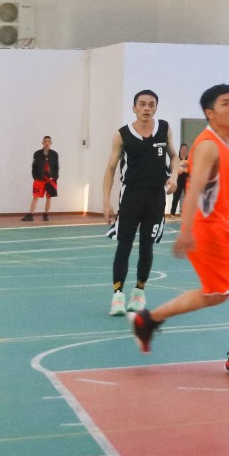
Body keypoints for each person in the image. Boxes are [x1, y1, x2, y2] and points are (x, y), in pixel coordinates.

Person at [130, 84, 229, 373]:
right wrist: (186, 230)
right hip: (209, 231)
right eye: (226, 103)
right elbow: (194, 188)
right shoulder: (208, 146)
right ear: (210, 113)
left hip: (218, 229)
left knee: (217, 294)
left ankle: (148, 320)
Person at [103, 91, 176, 316]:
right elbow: (111, 168)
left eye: (151, 104)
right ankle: (117, 296)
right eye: (142, 104)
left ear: (156, 108)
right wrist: (106, 201)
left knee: (147, 245)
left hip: (156, 197)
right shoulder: (122, 134)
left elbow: (174, 156)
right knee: (124, 245)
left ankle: (139, 292)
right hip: (131, 196)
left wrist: (174, 176)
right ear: (134, 108)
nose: (146, 108)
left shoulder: (164, 128)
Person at [21, 136, 59, 222]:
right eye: (45, 141)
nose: (46, 143)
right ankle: (30, 215)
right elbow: (34, 166)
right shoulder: (37, 154)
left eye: (48, 141)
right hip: (39, 179)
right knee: (35, 197)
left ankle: (45, 214)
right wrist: (35, 176)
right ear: (42, 143)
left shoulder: (54, 154)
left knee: (49, 197)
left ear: (51, 143)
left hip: (50, 180)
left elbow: (56, 167)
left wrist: (55, 177)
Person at [169, 139, 190, 218]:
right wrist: (182, 169)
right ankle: (172, 213)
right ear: (180, 150)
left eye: (186, 149)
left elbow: (192, 169)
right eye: (183, 149)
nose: (184, 151)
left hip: (187, 180)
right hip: (178, 180)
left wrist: (185, 168)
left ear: (187, 151)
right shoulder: (176, 159)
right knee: (176, 196)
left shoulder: (189, 159)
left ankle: (187, 213)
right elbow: (172, 169)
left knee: (188, 197)